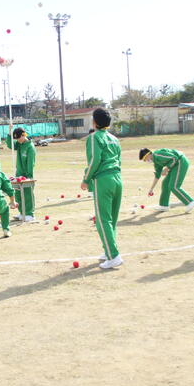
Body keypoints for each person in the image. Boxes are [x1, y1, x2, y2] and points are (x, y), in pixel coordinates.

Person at [82, 108, 123, 269]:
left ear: (95, 122)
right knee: (111, 218)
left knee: (102, 220)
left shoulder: (94, 137)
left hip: (104, 180)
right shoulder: (114, 139)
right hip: (117, 178)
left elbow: (94, 160)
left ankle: (113, 255)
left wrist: (86, 179)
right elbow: (119, 160)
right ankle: (109, 250)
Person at [140, 148, 194, 213]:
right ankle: (164, 205)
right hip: (174, 165)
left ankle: (190, 202)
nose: (146, 161)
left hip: (180, 162)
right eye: (144, 160)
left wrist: (166, 169)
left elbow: (174, 158)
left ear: (149, 154)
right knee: (165, 184)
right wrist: (151, 189)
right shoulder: (156, 162)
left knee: (173, 186)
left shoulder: (158, 155)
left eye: (145, 158)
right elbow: (157, 175)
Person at [11, 127, 36, 221]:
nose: (18, 140)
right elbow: (10, 145)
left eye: (19, 138)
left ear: (23, 135)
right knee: (18, 193)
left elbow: (30, 163)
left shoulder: (30, 147)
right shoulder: (19, 144)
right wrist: (9, 133)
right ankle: (22, 212)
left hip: (27, 174)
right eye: (16, 138)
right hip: (18, 173)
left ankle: (30, 214)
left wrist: (29, 176)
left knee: (27, 194)